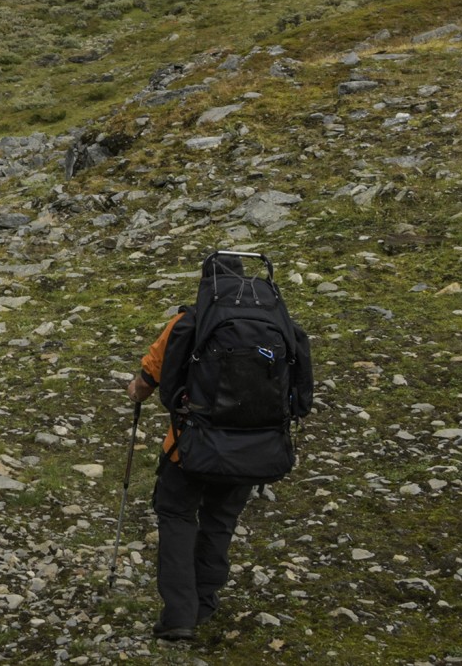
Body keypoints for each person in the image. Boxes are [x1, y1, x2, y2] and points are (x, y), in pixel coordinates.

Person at [127, 253, 312, 645]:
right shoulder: (281, 325)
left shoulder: (188, 322)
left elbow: (147, 380)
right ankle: (203, 604)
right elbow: (302, 398)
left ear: (205, 282)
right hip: (256, 448)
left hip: (191, 449)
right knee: (220, 520)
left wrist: (137, 392)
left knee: (177, 516)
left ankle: (179, 617)